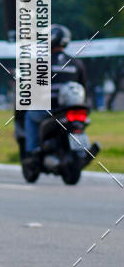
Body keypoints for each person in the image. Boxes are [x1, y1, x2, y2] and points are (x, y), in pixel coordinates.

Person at [23, 24, 87, 164]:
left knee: (30, 116)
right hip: (73, 109)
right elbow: (83, 86)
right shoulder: (77, 63)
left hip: (51, 109)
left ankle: (32, 151)